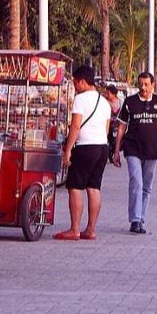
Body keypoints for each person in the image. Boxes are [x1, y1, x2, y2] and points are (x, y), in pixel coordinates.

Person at [54, 66, 109, 241]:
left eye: (76, 83)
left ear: (83, 82)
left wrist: (68, 149)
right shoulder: (105, 101)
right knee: (94, 187)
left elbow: (75, 126)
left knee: (75, 187)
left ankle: (75, 229)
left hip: (85, 146)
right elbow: (106, 129)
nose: (75, 86)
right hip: (102, 147)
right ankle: (90, 229)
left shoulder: (81, 99)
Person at [113, 72, 157, 234]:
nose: (143, 87)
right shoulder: (130, 102)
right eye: (141, 84)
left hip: (152, 149)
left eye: (146, 84)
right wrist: (117, 150)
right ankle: (135, 220)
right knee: (136, 182)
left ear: (153, 84)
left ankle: (141, 218)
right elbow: (122, 127)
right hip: (132, 148)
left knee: (146, 186)